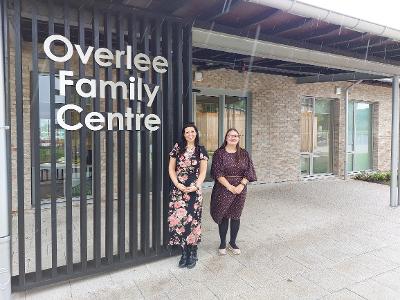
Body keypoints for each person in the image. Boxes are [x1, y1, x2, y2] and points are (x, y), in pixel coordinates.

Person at [210, 128, 257, 255]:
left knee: (236, 216)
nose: (233, 137)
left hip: (240, 189)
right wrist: (230, 187)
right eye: (230, 135)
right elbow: (217, 172)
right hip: (223, 188)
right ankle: (222, 243)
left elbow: (249, 171)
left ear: (238, 138)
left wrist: (241, 185)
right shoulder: (219, 154)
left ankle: (233, 242)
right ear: (226, 138)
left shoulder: (244, 154)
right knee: (224, 215)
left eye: (235, 136)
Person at [168, 123, 208, 268]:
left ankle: (193, 251)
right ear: (184, 134)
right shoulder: (177, 148)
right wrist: (178, 184)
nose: (190, 134)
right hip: (178, 190)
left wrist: (195, 186)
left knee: (194, 221)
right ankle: (184, 252)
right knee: (180, 221)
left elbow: (203, 172)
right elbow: (171, 169)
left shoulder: (201, 150)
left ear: (196, 133)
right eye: (187, 132)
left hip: (194, 189)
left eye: (192, 131)